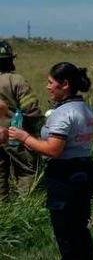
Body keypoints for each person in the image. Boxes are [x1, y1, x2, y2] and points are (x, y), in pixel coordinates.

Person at [9, 62, 93, 260]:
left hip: (64, 175)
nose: (47, 88)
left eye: (51, 83)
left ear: (65, 85)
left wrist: (24, 137)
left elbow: (52, 149)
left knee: (65, 230)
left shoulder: (63, 114)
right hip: (85, 169)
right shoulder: (85, 109)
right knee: (80, 226)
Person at [0, 40, 43, 201]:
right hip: (15, 136)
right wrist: (39, 131)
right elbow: (30, 109)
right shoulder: (16, 80)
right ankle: (27, 209)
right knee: (26, 170)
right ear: (10, 59)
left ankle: (3, 214)